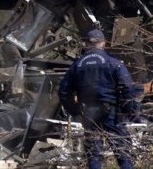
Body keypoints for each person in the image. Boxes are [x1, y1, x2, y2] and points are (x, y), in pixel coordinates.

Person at [58, 29, 138, 169]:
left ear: (86, 44)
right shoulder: (114, 63)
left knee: (93, 155)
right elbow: (128, 88)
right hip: (111, 114)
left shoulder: (77, 65)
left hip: (89, 114)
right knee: (122, 152)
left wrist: (75, 112)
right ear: (103, 44)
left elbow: (63, 91)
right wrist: (128, 110)